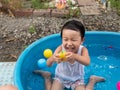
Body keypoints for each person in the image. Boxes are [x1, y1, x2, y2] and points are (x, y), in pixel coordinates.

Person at [33, 20, 105, 90]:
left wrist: (75, 56)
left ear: (82, 40)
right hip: (60, 78)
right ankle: (47, 77)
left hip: (77, 79)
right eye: (65, 39)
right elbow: (48, 64)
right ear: (62, 39)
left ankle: (92, 80)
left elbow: (87, 62)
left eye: (73, 40)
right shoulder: (61, 48)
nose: (69, 43)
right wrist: (53, 58)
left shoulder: (83, 50)